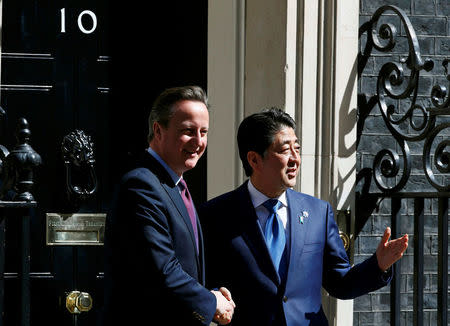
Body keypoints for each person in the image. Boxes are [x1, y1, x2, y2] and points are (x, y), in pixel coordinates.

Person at [199, 108, 408, 326]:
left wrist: (378, 265)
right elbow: (201, 283)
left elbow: (340, 283)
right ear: (254, 160)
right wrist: (214, 301)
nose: (295, 159)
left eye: (297, 149)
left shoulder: (318, 212)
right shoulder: (215, 215)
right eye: (284, 150)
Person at [102, 86, 235, 325]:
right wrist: (211, 302)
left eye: (203, 132)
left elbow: (185, 262)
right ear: (158, 130)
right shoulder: (141, 185)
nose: (198, 141)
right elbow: (161, 270)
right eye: (188, 131)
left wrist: (212, 295)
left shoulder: (174, 183)